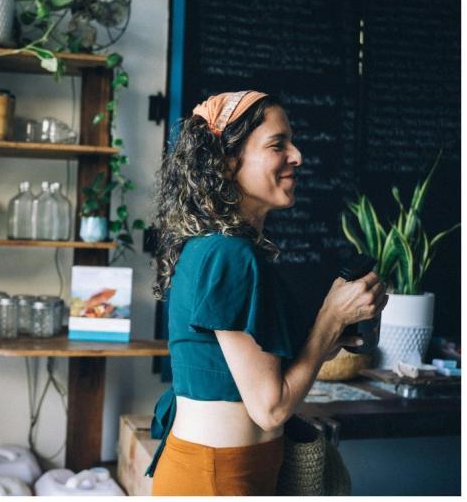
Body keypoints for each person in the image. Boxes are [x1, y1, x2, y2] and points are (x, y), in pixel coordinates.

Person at [146, 90, 388, 496]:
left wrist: (338, 327)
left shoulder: (222, 248)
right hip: (217, 476)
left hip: (228, 469)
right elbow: (271, 408)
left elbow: (258, 375)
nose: (298, 156)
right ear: (226, 162)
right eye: (278, 145)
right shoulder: (229, 254)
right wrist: (330, 318)